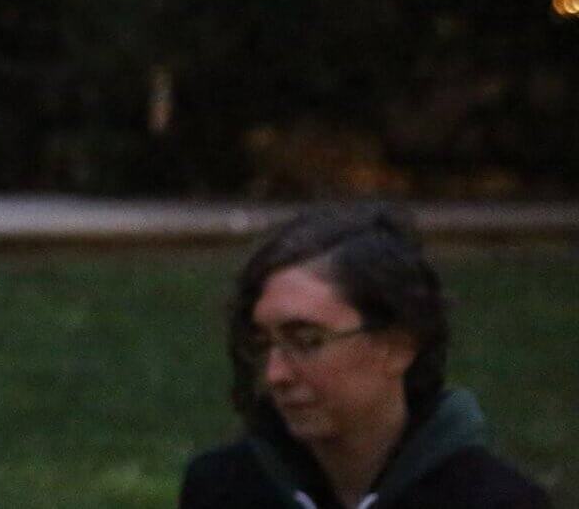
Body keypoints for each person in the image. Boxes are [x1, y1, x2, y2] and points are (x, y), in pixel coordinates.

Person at [179, 205, 551, 509]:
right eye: (263, 344)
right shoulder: (223, 490)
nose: (275, 374)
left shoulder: (494, 501)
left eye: (307, 341)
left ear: (398, 346)